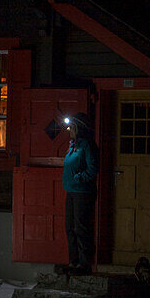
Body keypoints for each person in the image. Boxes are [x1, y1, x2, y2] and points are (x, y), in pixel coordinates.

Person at [62, 112, 99, 275]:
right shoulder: (72, 145)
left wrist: (79, 177)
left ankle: (85, 264)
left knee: (81, 227)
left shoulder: (87, 146)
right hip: (70, 191)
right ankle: (73, 261)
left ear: (79, 128)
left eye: (72, 127)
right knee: (69, 227)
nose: (69, 129)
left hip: (83, 192)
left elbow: (93, 168)